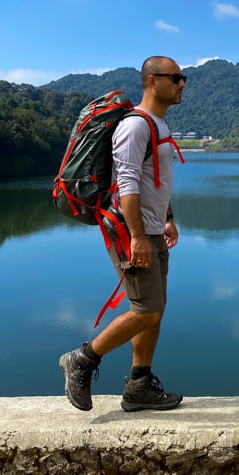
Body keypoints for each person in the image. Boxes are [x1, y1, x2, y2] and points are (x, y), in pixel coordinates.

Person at [59, 55, 186, 412]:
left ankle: (139, 386)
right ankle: (82, 359)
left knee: (153, 310)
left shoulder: (158, 125)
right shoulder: (135, 126)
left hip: (152, 229)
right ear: (151, 81)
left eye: (183, 78)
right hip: (131, 232)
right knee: (146, 310)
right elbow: (127, 183)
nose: (181, 84)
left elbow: (155, 181)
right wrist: (137, 237)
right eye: (175, 78)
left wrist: (167, 217)